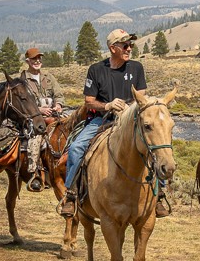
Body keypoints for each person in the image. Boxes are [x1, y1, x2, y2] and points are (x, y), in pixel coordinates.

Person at [60, 29, 169, 219]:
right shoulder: (96, 70)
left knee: (151, 145)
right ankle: (71, 194)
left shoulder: (136, 68)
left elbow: (141, 98)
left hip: (131, 122)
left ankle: (159, 194)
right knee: (77, 148)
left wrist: (128, 109)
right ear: (112, 48)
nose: (129, 49)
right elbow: (89, 101)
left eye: (131, 45)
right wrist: (108, 105)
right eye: (125, 45)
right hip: (102, 119)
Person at [23, 47, 65, 191]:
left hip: (53, 114)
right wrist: (39, 110)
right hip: (34, 116)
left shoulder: (49, 77)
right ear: (27, 61)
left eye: (39, 58)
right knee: (35, 138)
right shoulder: (23, 79)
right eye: (34, 58)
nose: (37, 61)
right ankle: (35, 173)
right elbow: (23, 102)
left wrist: (58, 105)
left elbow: (59, 94)